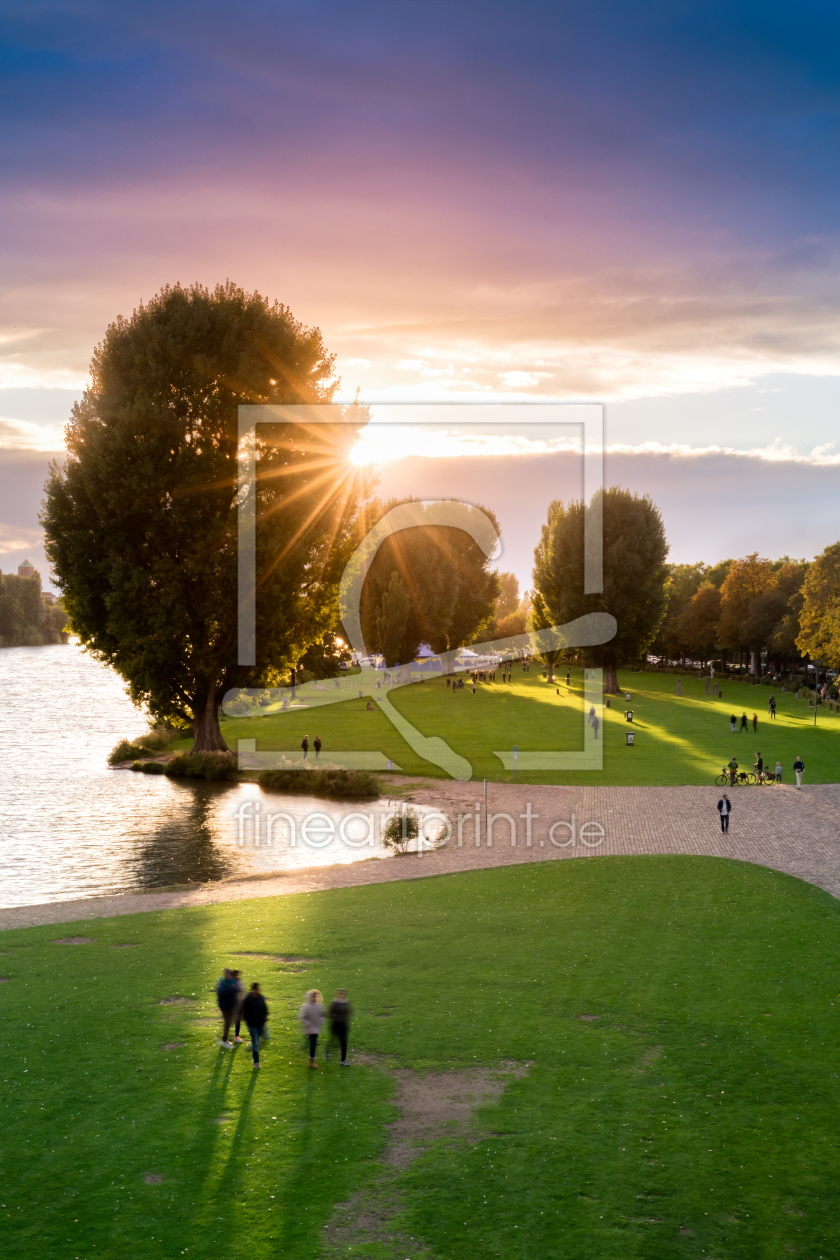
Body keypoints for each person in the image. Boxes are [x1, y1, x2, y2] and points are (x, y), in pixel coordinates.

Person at [242, 982, 269, 1069]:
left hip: (260, 1024)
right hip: (252, 1025)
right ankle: (256, 1062)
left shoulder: (260, 997)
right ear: (253, 989)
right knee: (255, 1043)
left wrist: (264, 1018)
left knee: (260, 1041)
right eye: (257, 989)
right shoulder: (248, 999)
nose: (258, 990)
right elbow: (244, 1012)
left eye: (259, 989)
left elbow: (265, 1009)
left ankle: (252, 1049)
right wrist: (249, 1021)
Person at [299, 989, 326, 1068]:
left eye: (315, 996)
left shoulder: (319, 1006)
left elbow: (323, 1015)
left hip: (316, 1029)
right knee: (313, 1044)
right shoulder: (306, 1007)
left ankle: (309, 1052)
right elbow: (302, 1017)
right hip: (309, 1029)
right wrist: (309, 1025)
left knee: (312, 1043)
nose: (314, 998)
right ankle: (311, 1062)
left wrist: (320, 1021)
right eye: (312, 997)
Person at [326, 989, 352, 1066]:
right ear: (338, 995)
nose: (341, 996)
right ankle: (327, 1052)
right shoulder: (334, 1003)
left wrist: (347, 1017)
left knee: (344, 1042)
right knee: (333, 1041)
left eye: (343, 994)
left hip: (344, 1026)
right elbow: (330, 1014)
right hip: (335, 1025)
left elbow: (349, 1012)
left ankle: (343, 1060)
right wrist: (337, 1019)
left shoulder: (346, 1003)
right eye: (340, 994)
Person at [216, 968, 240, 1048]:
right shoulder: (222, 983)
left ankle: (227, 1038)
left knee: (230, 1022)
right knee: (227, 1022)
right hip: (224, 1006)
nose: (228, 976)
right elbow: (222, 992)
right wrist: (231, 990)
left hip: (231, 1006)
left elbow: (238, 988)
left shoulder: (233, 981)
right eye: (226, 974)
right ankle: (224, 1040)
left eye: (229, 974)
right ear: (224, 974)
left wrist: (230, 990)